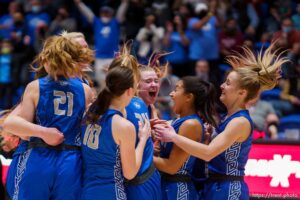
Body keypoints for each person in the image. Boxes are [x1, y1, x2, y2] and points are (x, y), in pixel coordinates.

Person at [154, 43, 288, 199]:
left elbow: (208, 153)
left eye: (228, 83)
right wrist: (208, 138)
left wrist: (173, 137)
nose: (222, 86)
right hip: (214, 185)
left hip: (229, 189)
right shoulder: (227, 118)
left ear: (241, 92)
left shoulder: (241, 122)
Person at [3, 35, 94, 200]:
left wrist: (44, 132)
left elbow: (20, 130)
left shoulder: (35, 87)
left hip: (39, 156)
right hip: (71, 160)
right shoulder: (86, 90)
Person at [81, 61, 151, 199]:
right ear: (130, 91)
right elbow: (129, 173)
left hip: (87, 191)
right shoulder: (124, 126)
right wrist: (143, 139)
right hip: (111, 191)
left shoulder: (89, 112)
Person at [153, 76, 218, 200]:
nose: (171, 94)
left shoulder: (191, 124)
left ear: (189, 97)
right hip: (165, 185)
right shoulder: (178, 121)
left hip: (177, 190)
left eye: (176, 89)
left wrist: (139, 156)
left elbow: (171, 167)